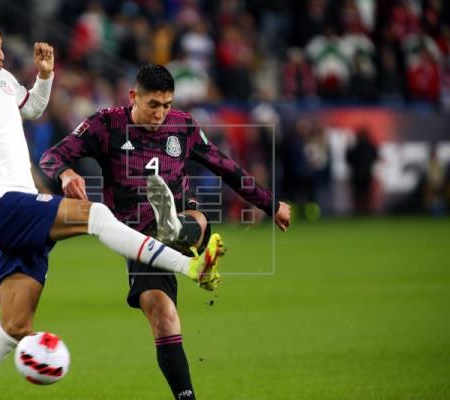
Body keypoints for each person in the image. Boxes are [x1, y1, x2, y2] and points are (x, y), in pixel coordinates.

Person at [0, 14, 224, 400]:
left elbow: (31, 108)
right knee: (96, 215)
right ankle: (190, 266)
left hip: (21, 205)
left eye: (0, 46)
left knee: (14, 326)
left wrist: (44, 76)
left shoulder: (2, 82)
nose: (2, 55)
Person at [40, 63, 292, 400]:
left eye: (167, 105)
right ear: (133, 96)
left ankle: (174, 226)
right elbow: (51, 156)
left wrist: (270, 203)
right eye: (153, 105)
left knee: (196, 220)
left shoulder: (183, 126)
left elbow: (226, 167)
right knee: (163, 315)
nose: (161, 113)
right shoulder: (105, 124)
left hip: (184, 214)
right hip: (137, 238)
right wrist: (66, 174)